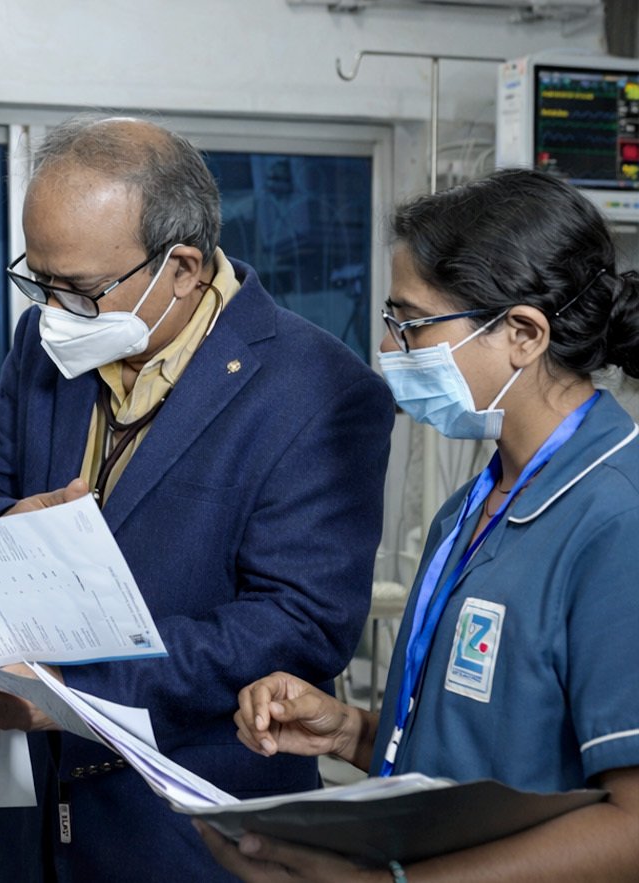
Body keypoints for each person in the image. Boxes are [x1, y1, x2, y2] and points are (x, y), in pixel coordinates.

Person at [0, 114, 394, 881]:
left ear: (183, 269)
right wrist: (8, 525)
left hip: (185, 829)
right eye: (37, 280)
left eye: (80, 289)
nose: (53, 310)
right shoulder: (42, 346)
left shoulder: (316, 390)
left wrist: (81, 693)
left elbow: (298, 625)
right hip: (29, 824)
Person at [201, 168, 639, 881]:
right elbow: (475, 764)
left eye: (411, 324)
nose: (389, 348)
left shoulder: (617, 519)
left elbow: (631, 832)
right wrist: (351, 732)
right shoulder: (470, 510)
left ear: (522, 333)